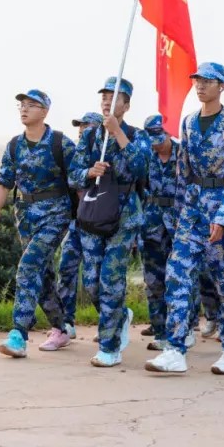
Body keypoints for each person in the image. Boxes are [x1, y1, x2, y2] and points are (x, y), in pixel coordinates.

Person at [146, 62, 224, 376]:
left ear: (222, 86)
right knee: (177, 274)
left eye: (208, 81)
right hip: (192, 212)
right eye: (197, 80)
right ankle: (175, 349)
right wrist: (180, 213)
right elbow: (184, 171)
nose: (201, 86)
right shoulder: (190, 122)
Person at [0, 89, 78, 358]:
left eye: (31, 105)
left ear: (45, 111)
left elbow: (78, 180)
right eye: (21, 105)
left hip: (55, 214)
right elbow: (4, 182)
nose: (24, 109)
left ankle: (18, 334)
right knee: (43, 274)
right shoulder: (14, 145)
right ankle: (61, 327)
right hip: (25, 216)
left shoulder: (61, 143)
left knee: (28, 267)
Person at [68, 77, 151, 367]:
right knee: (91, 281)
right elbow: (73, 174)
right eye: (104, 96)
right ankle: (120, 315)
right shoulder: (90, 136)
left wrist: (117, 133)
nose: (107, 101)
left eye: (114, 97)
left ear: (126, 105)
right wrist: (89, 172)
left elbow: (142, 167)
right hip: (94, 213)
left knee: (111, 279)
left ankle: (109, 346)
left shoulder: (137, 134)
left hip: (124, 217)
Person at [57, 111, 103, 339]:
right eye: (80, 127)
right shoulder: (75, 158)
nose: (81, 131)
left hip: (98, 225)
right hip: (77, 223)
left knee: (94, 279)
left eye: (87, 127)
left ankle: (111, 319)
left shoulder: (104, 157)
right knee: (66, 268)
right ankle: (66, 322)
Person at [141, 114, 180, 350]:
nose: (157, 144)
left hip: (179, 223)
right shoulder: (146, 157)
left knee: (179, 279)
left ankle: (183, 329)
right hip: (152, 224)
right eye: (152, 139)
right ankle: (160, 332)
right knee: (153, 280)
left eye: (160, 138)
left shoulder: (184, 155)